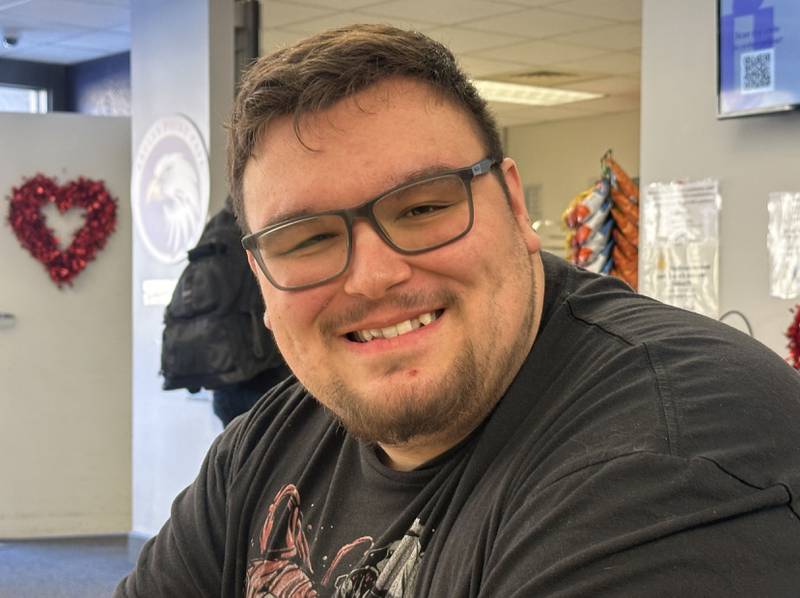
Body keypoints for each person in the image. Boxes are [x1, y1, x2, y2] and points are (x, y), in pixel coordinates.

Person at [117, 24, 800, 597]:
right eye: (309, 239)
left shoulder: (673, 449)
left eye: (422, 209)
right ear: (260, 283)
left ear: (511, 204)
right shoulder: (267, 445)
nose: (375, 276)